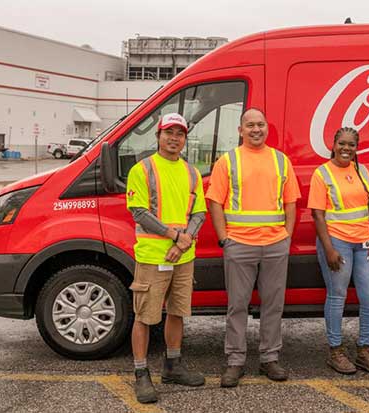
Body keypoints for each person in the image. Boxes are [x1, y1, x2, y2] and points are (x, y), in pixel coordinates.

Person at [207, 108, 300, 388]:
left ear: (267, 129)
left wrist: (287, 237)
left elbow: (291, 202)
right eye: (250, 125)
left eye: (260, 124)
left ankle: (269, 358)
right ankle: (235, 362)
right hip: (239, 245)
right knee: (237, 306)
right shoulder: (228, 161)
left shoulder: (280, 160)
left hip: (274, 244)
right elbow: (214, 201)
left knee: (273, 306)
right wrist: (225, 238)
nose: (256, 129)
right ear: (240, 130)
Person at [126, 112, 207, 404]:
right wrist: (175, 236)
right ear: (158, 136)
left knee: (177, 311)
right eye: (168, 133)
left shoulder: (192, 172)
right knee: (145, 316)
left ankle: (172, 366)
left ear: (185, 139)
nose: (174, 138)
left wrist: (183, 243)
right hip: (152, 256)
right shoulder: (143, 169)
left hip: (183, 257)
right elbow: (139, 212)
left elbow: (199, 213)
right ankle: (141, 373)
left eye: (180, 134)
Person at [308, 127, 369, 375]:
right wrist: (329, 248)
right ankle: (336, 351)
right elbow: (317, 215)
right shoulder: (322, 173)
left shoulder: (362, 171)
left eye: (351, 145)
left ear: (356, 147)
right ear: (333, 144)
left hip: (364, 243)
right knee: (337, 295)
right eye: (342, 143)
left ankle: (365, 350)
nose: (346, 149)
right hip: (337, 242)